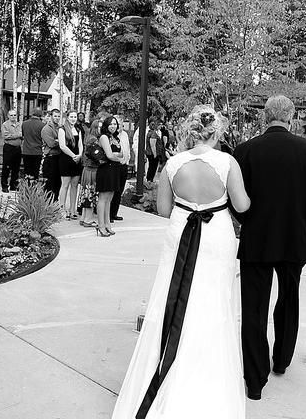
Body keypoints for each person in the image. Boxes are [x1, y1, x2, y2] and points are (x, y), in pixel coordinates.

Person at [111, 105, 251, 418]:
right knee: (213, 301)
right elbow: (242, 205)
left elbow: (163, 209)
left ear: (190, 131)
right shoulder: (227, 162)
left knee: (173, 297)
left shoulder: (173, 164)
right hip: (216, 236)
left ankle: (162, 373)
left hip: (181, 231)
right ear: (216, 132)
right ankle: (205, 385)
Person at [232, 95, 306, 401]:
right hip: (294, 239)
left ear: (265, 117)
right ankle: (282, 360)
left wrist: (247, 220)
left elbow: (237, 201)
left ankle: (255, 381)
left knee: (254, 309)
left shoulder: (245, 150)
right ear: (291, 117)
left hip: (256, 239)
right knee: (289, 301)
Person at [94, 116, 124, 236]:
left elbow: (121, 153)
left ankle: (107, 225)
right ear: (106, 125)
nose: (113, 126)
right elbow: (110, 155)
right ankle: (100, 225)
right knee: (103, 198)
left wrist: (116, 155)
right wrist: (119, 158)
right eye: (110, 124)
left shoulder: (115, 138)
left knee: (109, 199)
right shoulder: (104, 137)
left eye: (115, 124)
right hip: (106, 170)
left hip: (115, 170)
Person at [57, 111, 83, 218]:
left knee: (74, 185)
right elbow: (62, 146)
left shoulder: (78, 129)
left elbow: (80, 144)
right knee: (65, 184)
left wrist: (80, 155)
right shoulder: (62, 129)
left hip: (77, 160)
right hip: (66, 160)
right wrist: (73, 156)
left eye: (75, 117)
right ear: (67, 118)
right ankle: (62, 209)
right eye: (71, 117)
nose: (73, 118)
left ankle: (73, 210)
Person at [78, 120, 103, 227]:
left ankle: (84, 217)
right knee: (90, 193)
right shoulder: (94, 139)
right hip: (92, 170)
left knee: (85, 193)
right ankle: (88, 219)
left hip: (87, 169)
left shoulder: (88, 137)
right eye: (99, 127)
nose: (101, 129)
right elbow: (97, 156)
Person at [110, 115, 131, 222]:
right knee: (113, 190)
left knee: (120, 190)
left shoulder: (125, 135)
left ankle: (114, 213)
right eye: (116, 124)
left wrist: (127, 159)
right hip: (115, 165)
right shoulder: (111, 136)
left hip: (124, 165)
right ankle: (108, 214)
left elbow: (127, 148)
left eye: (120, 124)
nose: (119, 127)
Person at [41, 109, 63, 201]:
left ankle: (55, 201)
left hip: (59, 158)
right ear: (51, 116)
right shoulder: (46, 129)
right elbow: (51, 143)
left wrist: (59, 141)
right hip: (50, 159)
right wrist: (60, 142)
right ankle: (47, 204)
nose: (57, 118)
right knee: (49, 184)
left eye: (58, 116)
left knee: (58, 183)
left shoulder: (60, 128)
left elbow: (66, 141)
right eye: (55, 116)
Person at [21, 108, 45, 183]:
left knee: (27, 171)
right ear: (40, 115)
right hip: (37, 151)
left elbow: (23, 135)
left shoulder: (24, 123)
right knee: (35, 172)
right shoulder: (42, 125)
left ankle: (27, 188)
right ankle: (33, 189)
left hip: (26, 151)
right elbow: (43, 138)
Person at [1, 109, 22, 193]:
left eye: (14, 115)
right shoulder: (5, 125)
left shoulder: (19, 124)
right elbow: (6, 136)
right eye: (11, 115)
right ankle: (4, 186)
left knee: (16, 168)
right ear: (8, 116)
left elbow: (22, 135)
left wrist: (17, 136)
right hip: (9, 148)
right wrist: (18, 135)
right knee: (6, 167)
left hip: (18, 148)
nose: (13, 117)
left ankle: (14, 185)